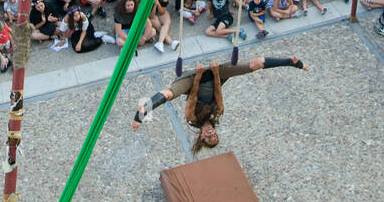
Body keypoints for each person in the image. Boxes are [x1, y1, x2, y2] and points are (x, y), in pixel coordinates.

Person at [132, 56, 308, 155]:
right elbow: (218, 89)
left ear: (201, 137)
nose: (211, 133)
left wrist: (199, 74)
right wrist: (216, 72)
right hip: (214, 78)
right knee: (254, 65)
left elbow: (192, 95)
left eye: (209, 137)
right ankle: (291, 62)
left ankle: (144, 110)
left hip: (193, 81)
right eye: (214, 135)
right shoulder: (218, 113)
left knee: (170, 93)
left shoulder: (191, 118)